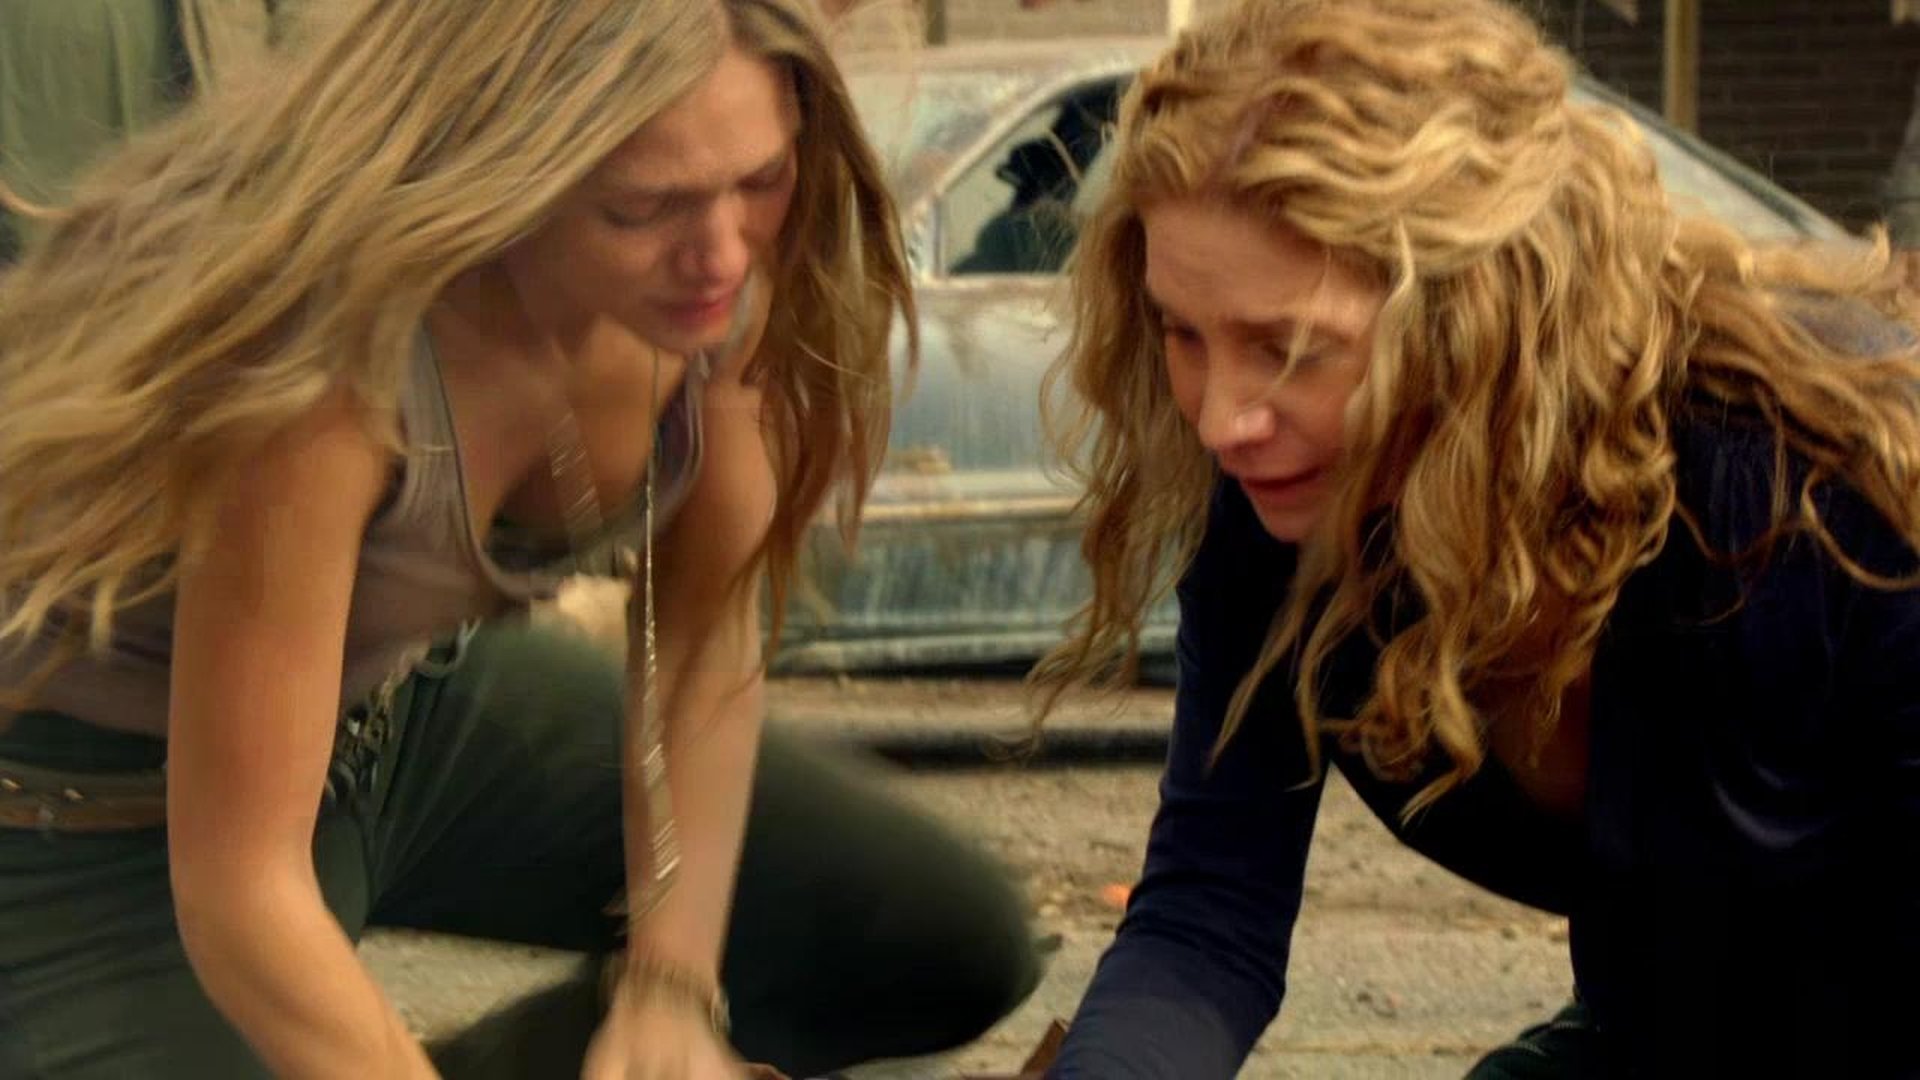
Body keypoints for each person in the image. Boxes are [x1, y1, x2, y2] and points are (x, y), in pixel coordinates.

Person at [0, 1, 1039, 1077]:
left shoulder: (720, 274)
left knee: (936, 939)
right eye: (641, 208)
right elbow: (242, 886)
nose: (721, 252)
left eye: (762, 178)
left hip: (406, 710)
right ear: (513, 174)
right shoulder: (327, 374)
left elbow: (699, 642)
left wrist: (670, 986)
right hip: (95, 809)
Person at [1028, 0, 1920, 1075]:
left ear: (1479, 312)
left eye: (1291, 349)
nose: (1223, 420)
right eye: (1183, 333)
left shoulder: (1819, 493)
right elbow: (1207, 920)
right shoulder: (1286, 508)